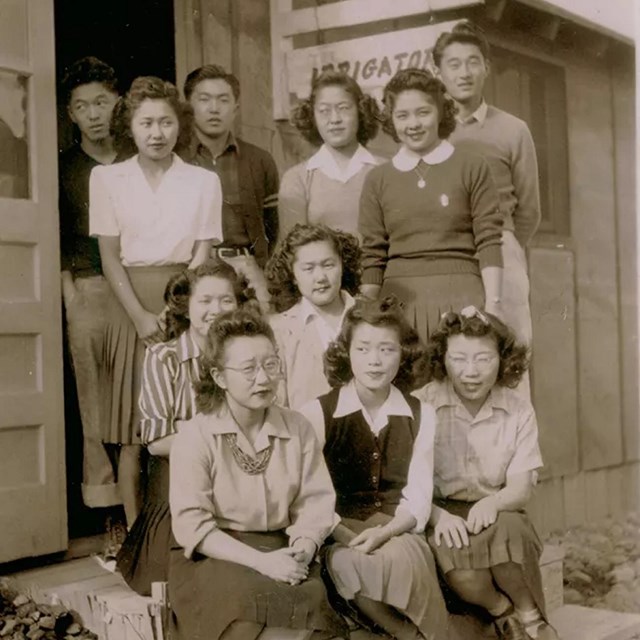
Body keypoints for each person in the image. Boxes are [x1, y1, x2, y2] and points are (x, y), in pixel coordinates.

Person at [89, 76, 223, 527]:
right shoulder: (107, 177)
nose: (157, 133)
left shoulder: (202, 181)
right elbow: (109, 257)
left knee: (185, 416)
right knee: (132, 432)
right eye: (146, 122)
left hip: (187, 303)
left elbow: (203, 250)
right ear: (131, 125)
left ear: (178, 125)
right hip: (129, 303)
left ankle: (188, 525)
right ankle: (134, 534)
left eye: (166, 122)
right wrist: (142, 316)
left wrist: (180, 309)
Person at [168, 309, 348, 640]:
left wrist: (305, 547)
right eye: (248, 369)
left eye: (270, 365)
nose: (263, 379)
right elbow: (193, 527)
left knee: (311, 612)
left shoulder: (298, 428)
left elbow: (315, 504)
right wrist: (262, 563)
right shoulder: (196, 436)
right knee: (243, 610)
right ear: (219, 377)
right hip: (215, 553)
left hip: (283, 549)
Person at [299, 296, 450, 640]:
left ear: (403, 354)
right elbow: (308, 493)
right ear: (347, 352)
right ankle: (406, 634)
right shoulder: (317, 413)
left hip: (395, 526)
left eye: (387, 350)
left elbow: (419, 494)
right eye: (363, 348)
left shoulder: (421, 413)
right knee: (345, 563)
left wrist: (387, 532)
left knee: (403, 557)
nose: (375, 361)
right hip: (337, 529)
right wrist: (342, 533)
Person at [414, 307, 559, 640]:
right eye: (459, 359)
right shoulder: (422, 404)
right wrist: (436, 516)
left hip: (497, 505)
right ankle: (502, 612)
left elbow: (521, 487)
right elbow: (406, 483)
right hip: (441, 510)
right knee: (460, 567)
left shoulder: (517, 409)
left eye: (483, 359)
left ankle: (530, 616)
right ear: (442, 359)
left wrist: (494, 503)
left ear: (503, 360)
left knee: (508, 532)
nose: (471, 372)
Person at [116, 260, 255, 595]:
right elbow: (158, 439)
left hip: (237, 480)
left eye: (226, 301)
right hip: (177, 480)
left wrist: (192, 430)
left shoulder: (246, 355)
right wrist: (223, 439)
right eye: (205, 301)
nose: (216, 310)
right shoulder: (164, 358)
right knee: (176, 579)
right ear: (186, 307)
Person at [358, 68, 504, 344]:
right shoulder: (377, 179)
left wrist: (494, 305)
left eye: (423, 112)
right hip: (398, 304)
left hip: (464, 298)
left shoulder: (472, 167)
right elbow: (373, 255)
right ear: (391, 120)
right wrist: (365, 315)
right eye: (402, 115)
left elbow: (489, 240)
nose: (413, 124)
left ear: (440, 112)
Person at [433, 21, 540, 356]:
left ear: (486, 68)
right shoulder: (429, 130)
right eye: (454, 64)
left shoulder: (513, 129)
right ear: (438, 72)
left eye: (472, 62)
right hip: (446, 250)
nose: (464, 72)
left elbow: (529, 210)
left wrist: (502, 241)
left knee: (509, 344)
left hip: (500, 246)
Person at [58, 57, 124, 549]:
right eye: (82, 106)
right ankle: (110, 512)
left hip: (139, 287)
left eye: (101, 101)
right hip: (90, 289)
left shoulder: (138, 157)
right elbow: (52, 236)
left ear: (117, 102)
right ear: (71, 114)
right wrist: (69, 294)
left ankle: (150, 502)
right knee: (96, 403)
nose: (94, 113)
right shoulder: (63, 169)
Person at [180, 64, 279, 309]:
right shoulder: (176, 160)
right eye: (204, 100)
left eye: (223, 100)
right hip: (193, 272)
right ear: (189, 107)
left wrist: (260, 269)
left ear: (235, 108)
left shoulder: (259, 160)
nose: (214, 109)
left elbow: (272, 227)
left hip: (246, 273)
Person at [266, 223, 361, 410]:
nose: (320, 277)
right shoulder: (280, 330)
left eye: (328, 265)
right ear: (293, 274)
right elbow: (278, 405)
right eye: (308, 269)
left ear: (342, 264)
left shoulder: (369, 316)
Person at [279, 70, 381, 238]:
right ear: (312, 116)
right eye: (324, 110)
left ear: (360, 111)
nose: (334, 119)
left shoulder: (384, 170)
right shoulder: (297, 178)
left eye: (343, 108)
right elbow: (292, 249)